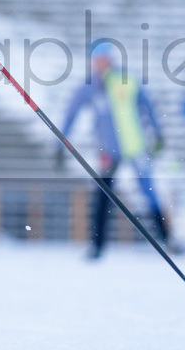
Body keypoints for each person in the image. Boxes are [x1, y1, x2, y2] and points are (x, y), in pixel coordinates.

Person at [56, 43, 171, 259]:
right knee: (102, 196)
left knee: (150, 193)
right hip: (108, 151)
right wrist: (60, 144)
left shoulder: (127, 80)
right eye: (97, 60)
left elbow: (148, 107)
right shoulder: (89, 87)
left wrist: (157, 134)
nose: (100, 64)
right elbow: (71, 114)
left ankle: (168, 240)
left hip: (135, 147)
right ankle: (97, 246)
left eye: (104, 59)